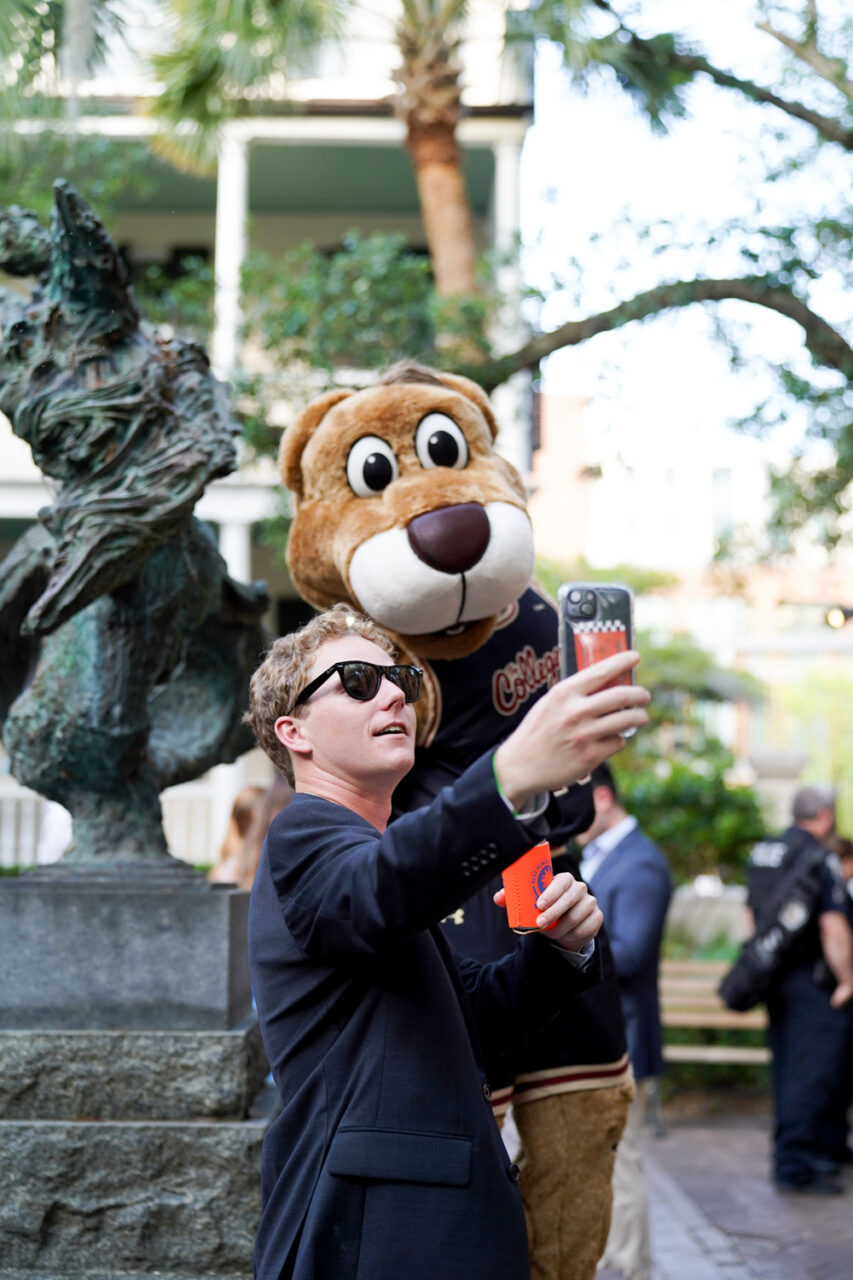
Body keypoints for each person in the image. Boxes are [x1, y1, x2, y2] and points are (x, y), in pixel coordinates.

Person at [243, 603, 650, 1280]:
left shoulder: (375, 859)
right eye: (357, 680)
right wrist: (507, 773)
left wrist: (558, 949)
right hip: (382, 1234)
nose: (397, 691)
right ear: (294, 732)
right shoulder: (304, 832)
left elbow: (475, 1025)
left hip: (431, 1227)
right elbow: (381, 888)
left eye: (398, 676)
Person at [393, 585, 635, 1280]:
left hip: (551, 868)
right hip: (459, 888)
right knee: (463, 1132)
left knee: (583, 1120)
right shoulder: (383, 637)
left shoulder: (534, 607)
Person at [576, 763, 673, 1280]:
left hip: (627, 1037)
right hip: (604, 1034)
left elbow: (630, 954)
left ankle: (632, 1270)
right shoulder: (606, 857)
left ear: (604, 798)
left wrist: (566, 933)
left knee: (624, 1164)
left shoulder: (641, 865)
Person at [745, 785, 853, 1194]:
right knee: (811, 1074)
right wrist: (847, 981)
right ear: (824, 815)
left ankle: (809, 1155)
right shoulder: (819, 857)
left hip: (774, 978)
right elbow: (833, 926)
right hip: (813, 982)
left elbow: (749, 913)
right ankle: (794, 1167)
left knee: (788, 1068)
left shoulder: (764, 852)